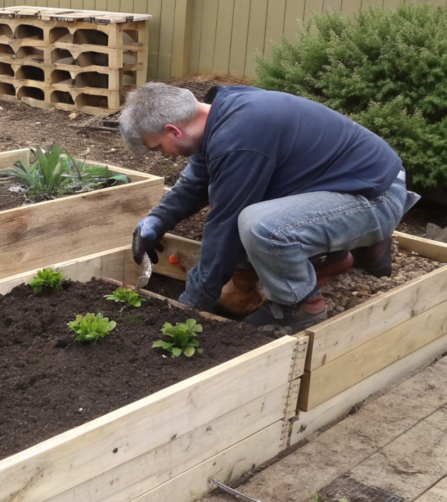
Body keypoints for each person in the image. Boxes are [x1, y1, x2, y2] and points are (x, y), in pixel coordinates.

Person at [119, 83, 420, 332]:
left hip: (375, 197)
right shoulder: (219, 115)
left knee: (259, 225)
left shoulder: (238, 138)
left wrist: (190, 305)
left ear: (173, 130)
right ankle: (337, 256)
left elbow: (225, 225)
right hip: (353, 183)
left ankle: (299, 307)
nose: (163, 154)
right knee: (251, 217)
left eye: (157, 147)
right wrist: (157, 221)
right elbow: (195, 183)